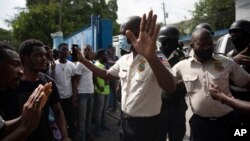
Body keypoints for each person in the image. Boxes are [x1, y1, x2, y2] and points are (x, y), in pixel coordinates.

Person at [76, 10, 176, 141]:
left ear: (136, 33)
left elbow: (170, 87)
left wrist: (151, 58)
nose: (121, 36)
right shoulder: (125, 59)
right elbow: (106, 74)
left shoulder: (157, 58)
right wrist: (83, 61)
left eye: (123, 33)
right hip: (125, 122)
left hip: (148, 126)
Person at [171, 28, 250, 141]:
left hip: (228, 122)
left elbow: (247, 82)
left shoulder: (227, 62)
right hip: (200, 125)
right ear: (192, 46)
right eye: (202, 44)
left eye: (210, 43)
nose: (207, 47)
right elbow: (167, 84)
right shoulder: (181, 66)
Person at [18, 39, 71, 141]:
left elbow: (58, 111)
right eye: (38, 55)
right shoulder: (13, 83)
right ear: (24, 58)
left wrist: (65, 136)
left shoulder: (48, 82)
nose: (44, 59)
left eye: (45, 55)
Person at [0, 41, 52, 141]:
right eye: (15, 64)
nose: (21, 71)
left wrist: (26, 115)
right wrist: (27, 127)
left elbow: (2, 126)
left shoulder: (47, 81)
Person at [156, 25, 187, 141]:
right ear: (166, 42)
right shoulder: (155, 57)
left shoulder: (182, 56)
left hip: (177, 105)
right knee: (159, 136)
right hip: (159, 106)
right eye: (175, 40)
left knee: (177, 136)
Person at [227, 19, 250, 133]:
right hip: (233, 101)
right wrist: (234, 61)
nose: (235, 38)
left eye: (238, 35)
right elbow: (220, 73)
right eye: (232, 35)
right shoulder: (230, 55)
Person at [53, 43, 77, 139]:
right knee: (58, 121)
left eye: (67, 49)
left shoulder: (71, 65)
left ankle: (71, 137)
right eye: (63, 49)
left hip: (69, 97)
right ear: (59, 51)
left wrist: (75, 96)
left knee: (71, 120)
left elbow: (74, 81)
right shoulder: (53, 64)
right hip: (58, 99)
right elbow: (51, 81)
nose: (66, 51)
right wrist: (52, 70)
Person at [74, 45, 95, 141]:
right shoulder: (80, 64)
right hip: (82, 93)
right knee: (82, 118)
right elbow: (76, 81)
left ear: (91, 51)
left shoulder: (91, 63)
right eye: (85, 50)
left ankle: (88, 134)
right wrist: (75, 96)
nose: (86, 51)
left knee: (89, 115)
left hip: (91, 92)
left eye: (88, 50)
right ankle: (82, 137)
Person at [93, 49, 110, 137]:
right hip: (100, 92)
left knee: (104, 110)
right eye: (105, 55)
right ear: (100, 56)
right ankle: (97, 129)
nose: (106, 56)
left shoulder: (104, 65)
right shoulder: (96, 65)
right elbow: (94, 77)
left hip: (106, 90)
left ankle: (103, 125)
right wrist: (99, 86)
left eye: (107, 55)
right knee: (99, 111)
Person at [107, 45, 119, 112]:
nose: (113, 51)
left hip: (114, 78)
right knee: (108, 93)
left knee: (115, 93)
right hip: (108, 77)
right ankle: (109, 107)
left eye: (114, 50)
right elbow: (108, 63)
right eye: (112, 50)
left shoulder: (116, 57)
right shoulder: (107, 57)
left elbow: (118, 66)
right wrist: (115, 63)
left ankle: (115, 108)